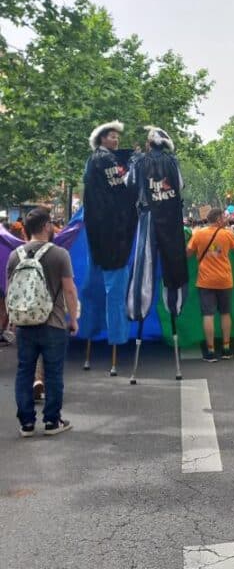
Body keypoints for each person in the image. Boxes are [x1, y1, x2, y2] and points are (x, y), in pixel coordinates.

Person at [7, 207, 79, 436]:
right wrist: (73, 318)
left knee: (24, 372)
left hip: (25, 324)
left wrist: (13, 320)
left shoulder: (14, 255)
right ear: (47, 226)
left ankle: (26, 423)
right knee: (54, 373)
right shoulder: (59, 254)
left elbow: (11, 291)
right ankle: (52, 422)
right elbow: (69, 290)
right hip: (53, 323)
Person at [80, 120, 138, 352]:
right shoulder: (106, 160)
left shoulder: (92, 161)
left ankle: (88, 332)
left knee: (93, 288)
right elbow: (123, 187)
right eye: (112, 136)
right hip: (113, 234)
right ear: (102, 138)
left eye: (117, 137)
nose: (116, 140)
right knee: (116, 292)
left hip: (96, 232)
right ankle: (117, 338)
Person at [126, 126, 189, 326]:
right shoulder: (172, 161)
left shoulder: (139, 161)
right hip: (171, 218)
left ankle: (138, 308)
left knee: (144, 262)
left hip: (149, 216)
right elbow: (179, 185)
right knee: (174, 259)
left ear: (148, 143)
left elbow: (129, 184)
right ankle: (175, 305)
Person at [186, 207, 234, 361]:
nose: (225, 219)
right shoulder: (227, 234)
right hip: (224, 281)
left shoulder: (199, 234)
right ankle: (226, 348)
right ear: (218, 219)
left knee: (208, 315)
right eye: (224, 217)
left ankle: (210, 351)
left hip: (205, 282)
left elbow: (188, 253)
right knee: (225, 314)